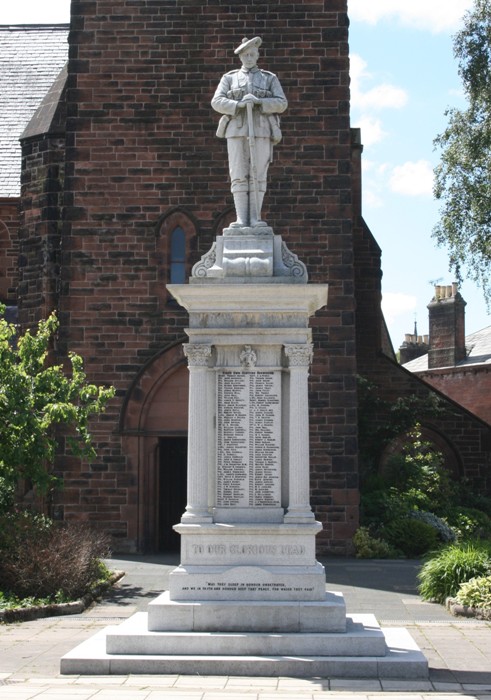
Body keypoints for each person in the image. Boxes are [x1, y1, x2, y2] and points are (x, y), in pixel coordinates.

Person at [211, 36, 287, 228]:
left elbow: (281, 103)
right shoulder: (229, 78)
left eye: (253, 54)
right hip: (236, 130)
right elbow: (216, 101)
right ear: (241, 57)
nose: (250, 58)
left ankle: (255, 218)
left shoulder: (269, 78)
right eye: (246, 55)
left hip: (261, 130)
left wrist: (260, 102)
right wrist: (238, 104)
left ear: (258, 55)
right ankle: (241, 219)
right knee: (238, 173)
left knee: (258, 174)